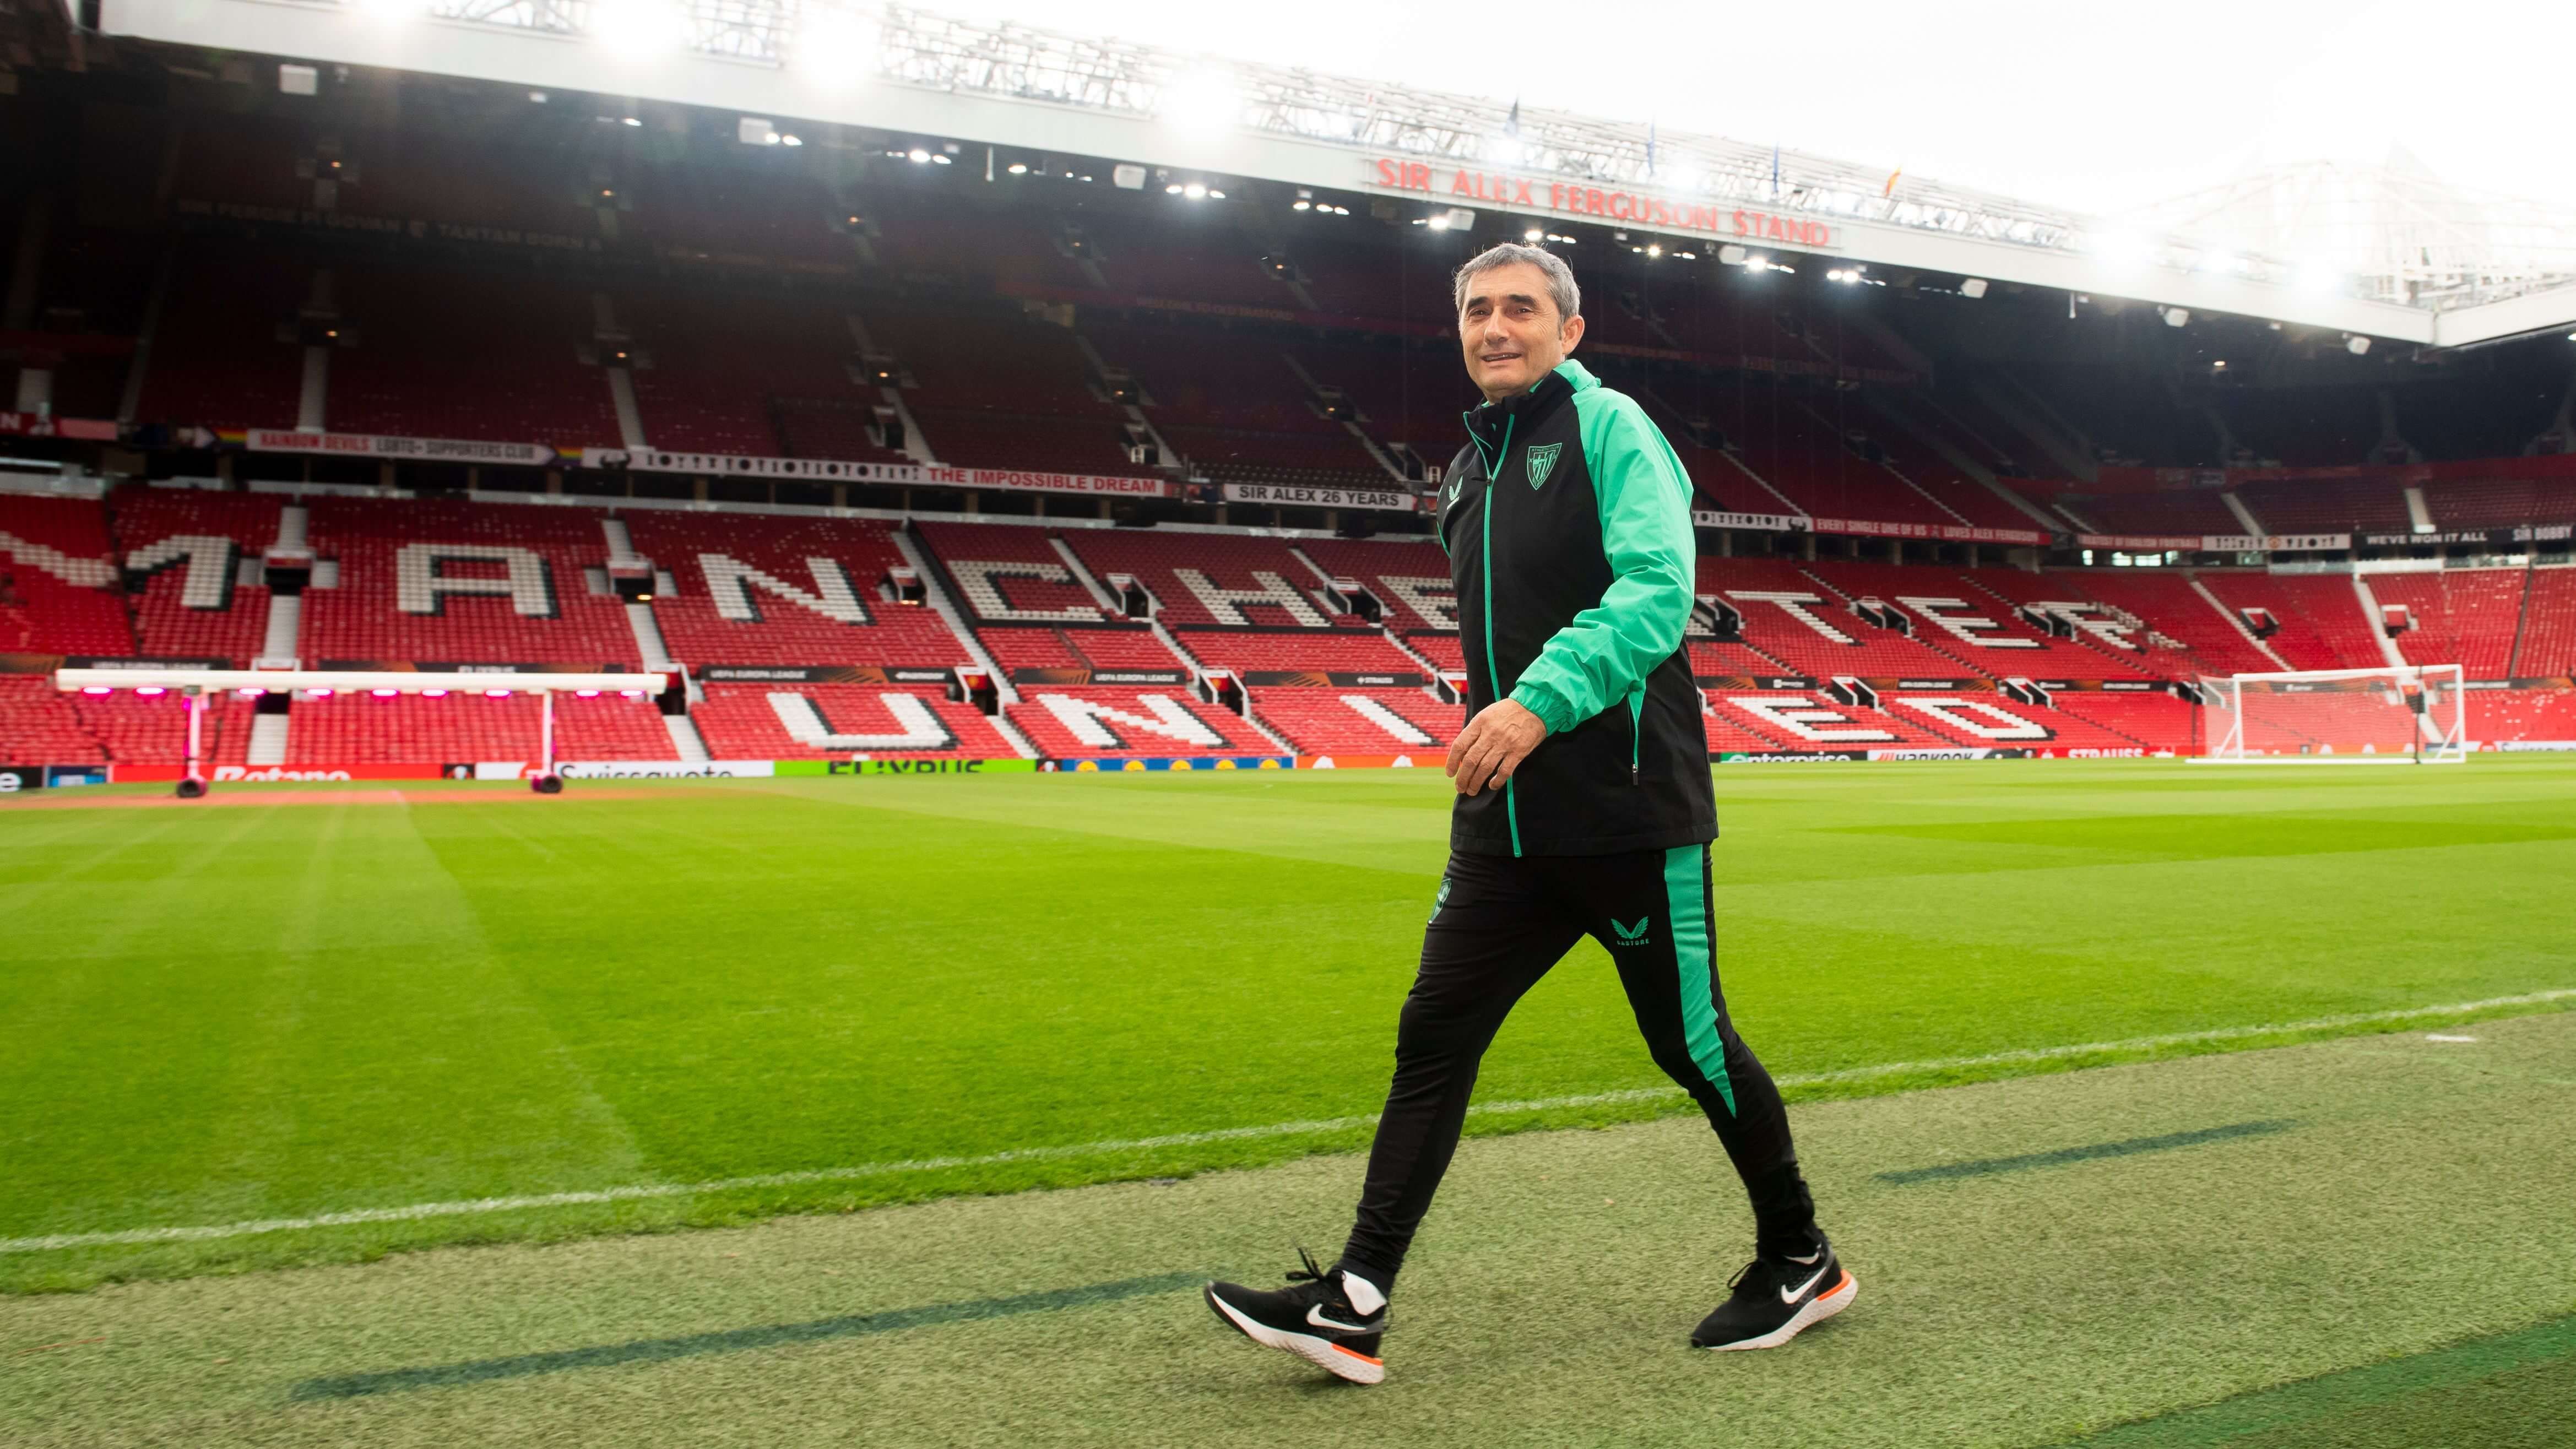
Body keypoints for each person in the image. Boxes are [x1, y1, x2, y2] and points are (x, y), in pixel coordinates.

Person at [1204, 242, 1851, 1385]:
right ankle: (1355, 1298)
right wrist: (1500, 726)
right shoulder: (1467, 466)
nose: (1494, 327)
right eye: (1475, 310)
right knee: (1433, 1034)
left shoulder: (1610, 427)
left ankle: (1800, 1256)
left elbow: (1657, 591)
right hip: (1502, 820)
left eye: (1518, 308)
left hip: (1625, 809)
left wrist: (1534, 703)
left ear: (1569, 329)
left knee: (1690, 1043)